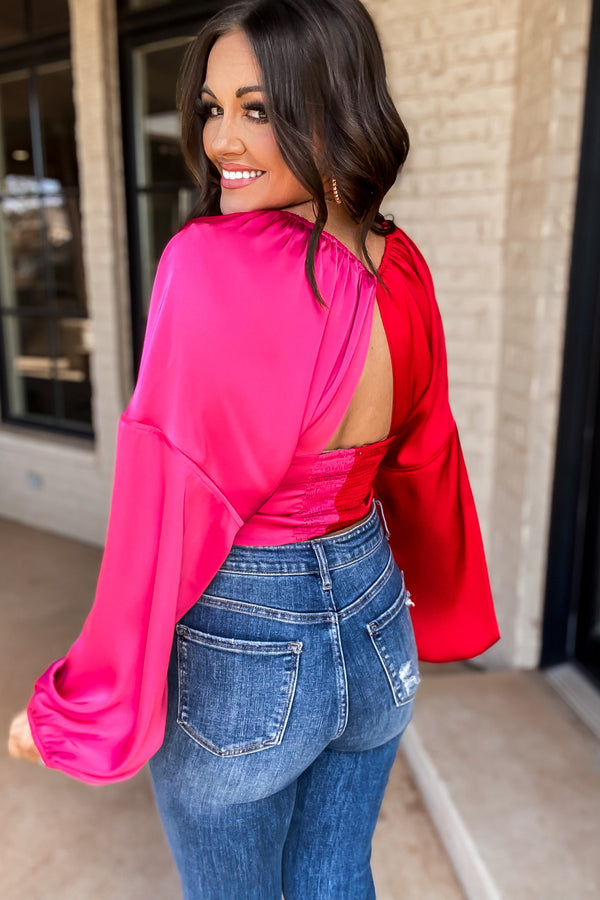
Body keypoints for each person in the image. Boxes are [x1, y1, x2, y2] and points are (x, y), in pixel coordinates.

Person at [8, 0, 500, 897]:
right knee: (336, 876)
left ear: (333, 106)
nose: (220, 141)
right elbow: (425, 454)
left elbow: (167, 505)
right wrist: (444, 604)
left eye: (259, 109)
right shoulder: (402, 262)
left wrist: (87, 701)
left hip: (252, 644)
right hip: (376, 620)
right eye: (210, 106)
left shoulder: (213, 265)